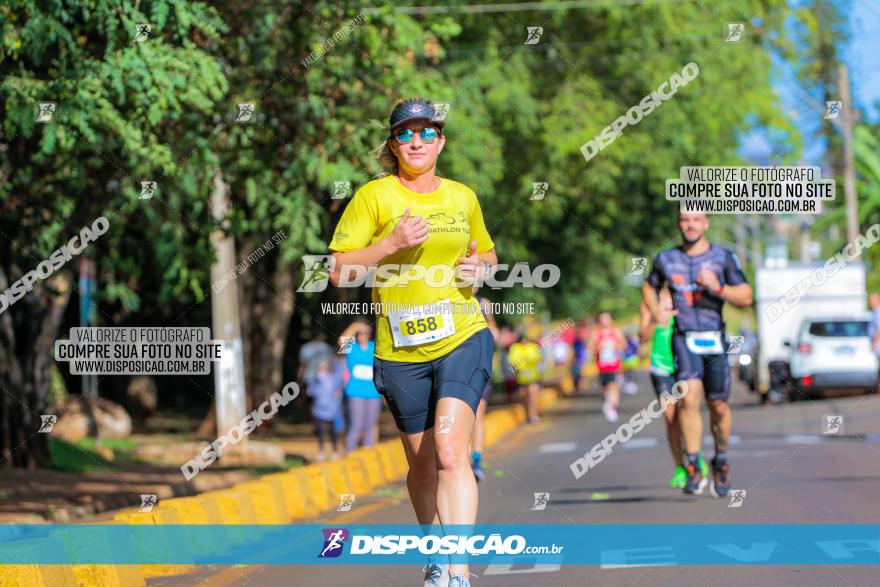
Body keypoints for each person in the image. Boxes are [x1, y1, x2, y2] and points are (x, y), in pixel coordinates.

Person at [328, 97, 496, 587]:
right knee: (422, 465)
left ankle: (459, 573)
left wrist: (479, 270)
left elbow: (486, 253)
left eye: (426, 132)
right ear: (393, 143)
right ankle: (436, 555)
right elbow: (338, 269)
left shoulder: (462, 197)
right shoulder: (374, 197)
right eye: (406, 133)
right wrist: (389, 245)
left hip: (462, 336)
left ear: (440, 141)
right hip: (400, 349)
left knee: (449, 450)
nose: (416, 141)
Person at [643, 212, 753, 497]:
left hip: (715, 339)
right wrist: (657, 313)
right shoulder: (666, 259)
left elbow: (746, 297)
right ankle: (693, 465)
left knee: (718, 406)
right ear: (678, 224)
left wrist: (718, 287)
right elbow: (648, 286)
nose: (690, 224)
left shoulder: (723, 257)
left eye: (696, 219)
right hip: (684, 337)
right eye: (684, 219)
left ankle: (722, 459)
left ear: (706, 224)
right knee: (688, 397)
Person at [638, 286, 707, 488]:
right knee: (671, 419)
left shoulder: (687, 297)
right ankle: (680, 467)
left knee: (689, 409)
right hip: (661, 366)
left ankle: (695, 457)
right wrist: (656, 318)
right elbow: (642, 336)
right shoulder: (650, 303)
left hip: (686, 362)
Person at [470, 287, 499, 482]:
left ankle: (476, 460)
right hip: (454, 369)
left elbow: (494, 331)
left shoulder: (484, 303)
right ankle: (461, 462)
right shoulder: (448, 301)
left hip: (479, 367)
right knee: (459, 418)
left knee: (477, 415)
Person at [344, 325, 382, 453]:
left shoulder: (374, 347)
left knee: (371, 425)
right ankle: (349, 453)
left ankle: (368, 454)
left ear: (369, 334)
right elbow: (342, 340)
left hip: (373, 393)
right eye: (359, 333)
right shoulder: (352, 348)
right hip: (355, 392)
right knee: (356, 425)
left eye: (365, 333)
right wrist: (355, 326)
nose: (362, 336)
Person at [590, 312, 625, 422]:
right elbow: (590, 346)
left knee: (613, 385)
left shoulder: (616, 331)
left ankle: (611, 407)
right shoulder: (596, 333)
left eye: (607, 318)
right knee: (605, 387)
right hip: (602, 365)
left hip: (614, 364)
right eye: (603, 319)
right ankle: (607, 401)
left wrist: (616, 347)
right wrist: (598, 348)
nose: (605, 321)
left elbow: (623, 344)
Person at [306, 359, 343, 461]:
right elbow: (310, 392)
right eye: (319, 370)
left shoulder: (333, 378)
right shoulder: (315, 381)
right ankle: (321, 450)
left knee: (333, 431)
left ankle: (334, 450)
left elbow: (340, 368)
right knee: (320, 431)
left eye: (323, 369)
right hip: (319, 410)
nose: (321, 372)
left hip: (332, 410)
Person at [507, 333, 542, 423]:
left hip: (533, 377)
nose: (524, 341)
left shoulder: (532, 347)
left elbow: (538, 360)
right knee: (523, 397)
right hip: (521, 378)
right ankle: (527, 414)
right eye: (522, 339)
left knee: (533, 394)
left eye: (525, 339)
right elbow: (512, 362)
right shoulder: (515, 348)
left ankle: (533, 415)